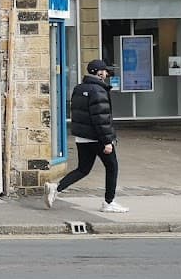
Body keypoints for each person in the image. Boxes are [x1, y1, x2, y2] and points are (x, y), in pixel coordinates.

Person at [44, 59, 128, 213]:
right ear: (98, 72)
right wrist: (107, 141)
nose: (106, 73)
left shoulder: (78, 88)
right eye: (104, 70)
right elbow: (101, 118)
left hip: (82, 138)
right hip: (98, 138)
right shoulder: (99, 91)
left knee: (83, 169)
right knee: (112, 167)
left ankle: (56, 187)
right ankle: (109, 202)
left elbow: (78, 114)